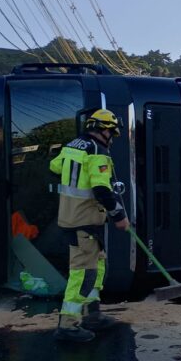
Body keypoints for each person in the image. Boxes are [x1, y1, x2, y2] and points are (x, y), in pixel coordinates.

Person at [49, 109, 130, 342]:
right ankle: (68, 325)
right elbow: (102, 189)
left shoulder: (73, 145)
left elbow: (54, 167)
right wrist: (119, 216)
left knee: (97, 265)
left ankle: (92, 315)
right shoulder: (98, 151)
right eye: (112, 132)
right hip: (83, 220)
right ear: (104, 130)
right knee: (83, 272)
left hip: (76, 218)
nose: (112, 137)